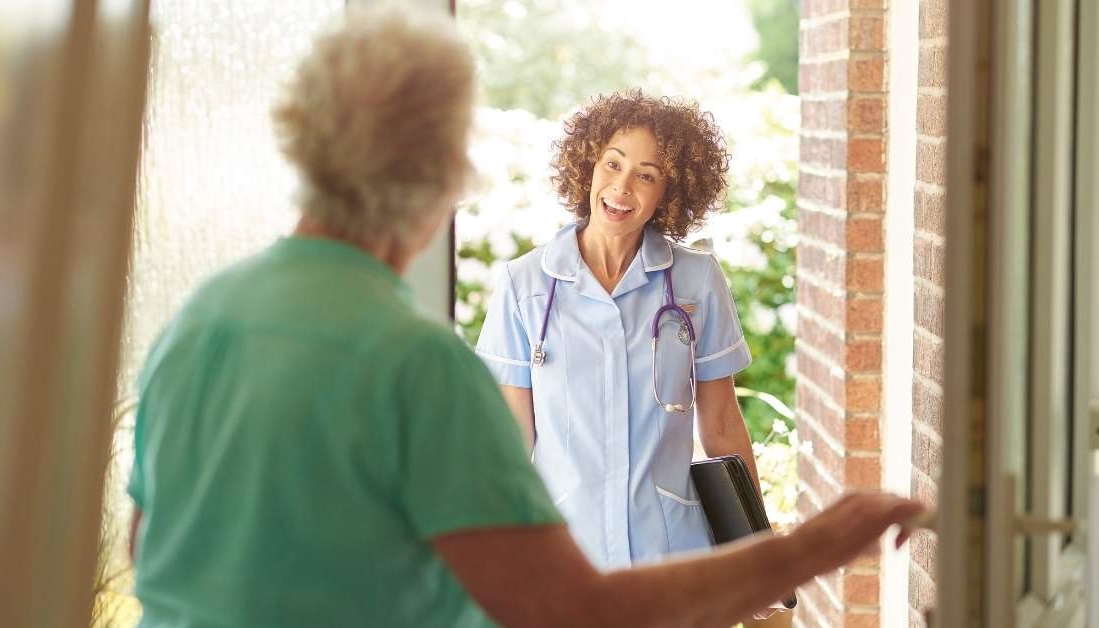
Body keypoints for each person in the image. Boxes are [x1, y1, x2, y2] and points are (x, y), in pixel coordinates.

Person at [126, 7, 925, 628]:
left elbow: (148, 544)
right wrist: (810, 549)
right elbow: (568, 608)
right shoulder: (415, 362)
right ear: (443, 176)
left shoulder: (202, 320)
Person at [475, 91, 765, 569]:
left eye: (646, 175)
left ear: (670, 192)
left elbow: (721, 423)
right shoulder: (525, 286)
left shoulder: (696, 280)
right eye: (612, 164)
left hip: (673, 552)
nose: (622, 187)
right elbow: (510, 440)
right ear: (588, 165)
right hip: (565, 559)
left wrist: (756, 551)